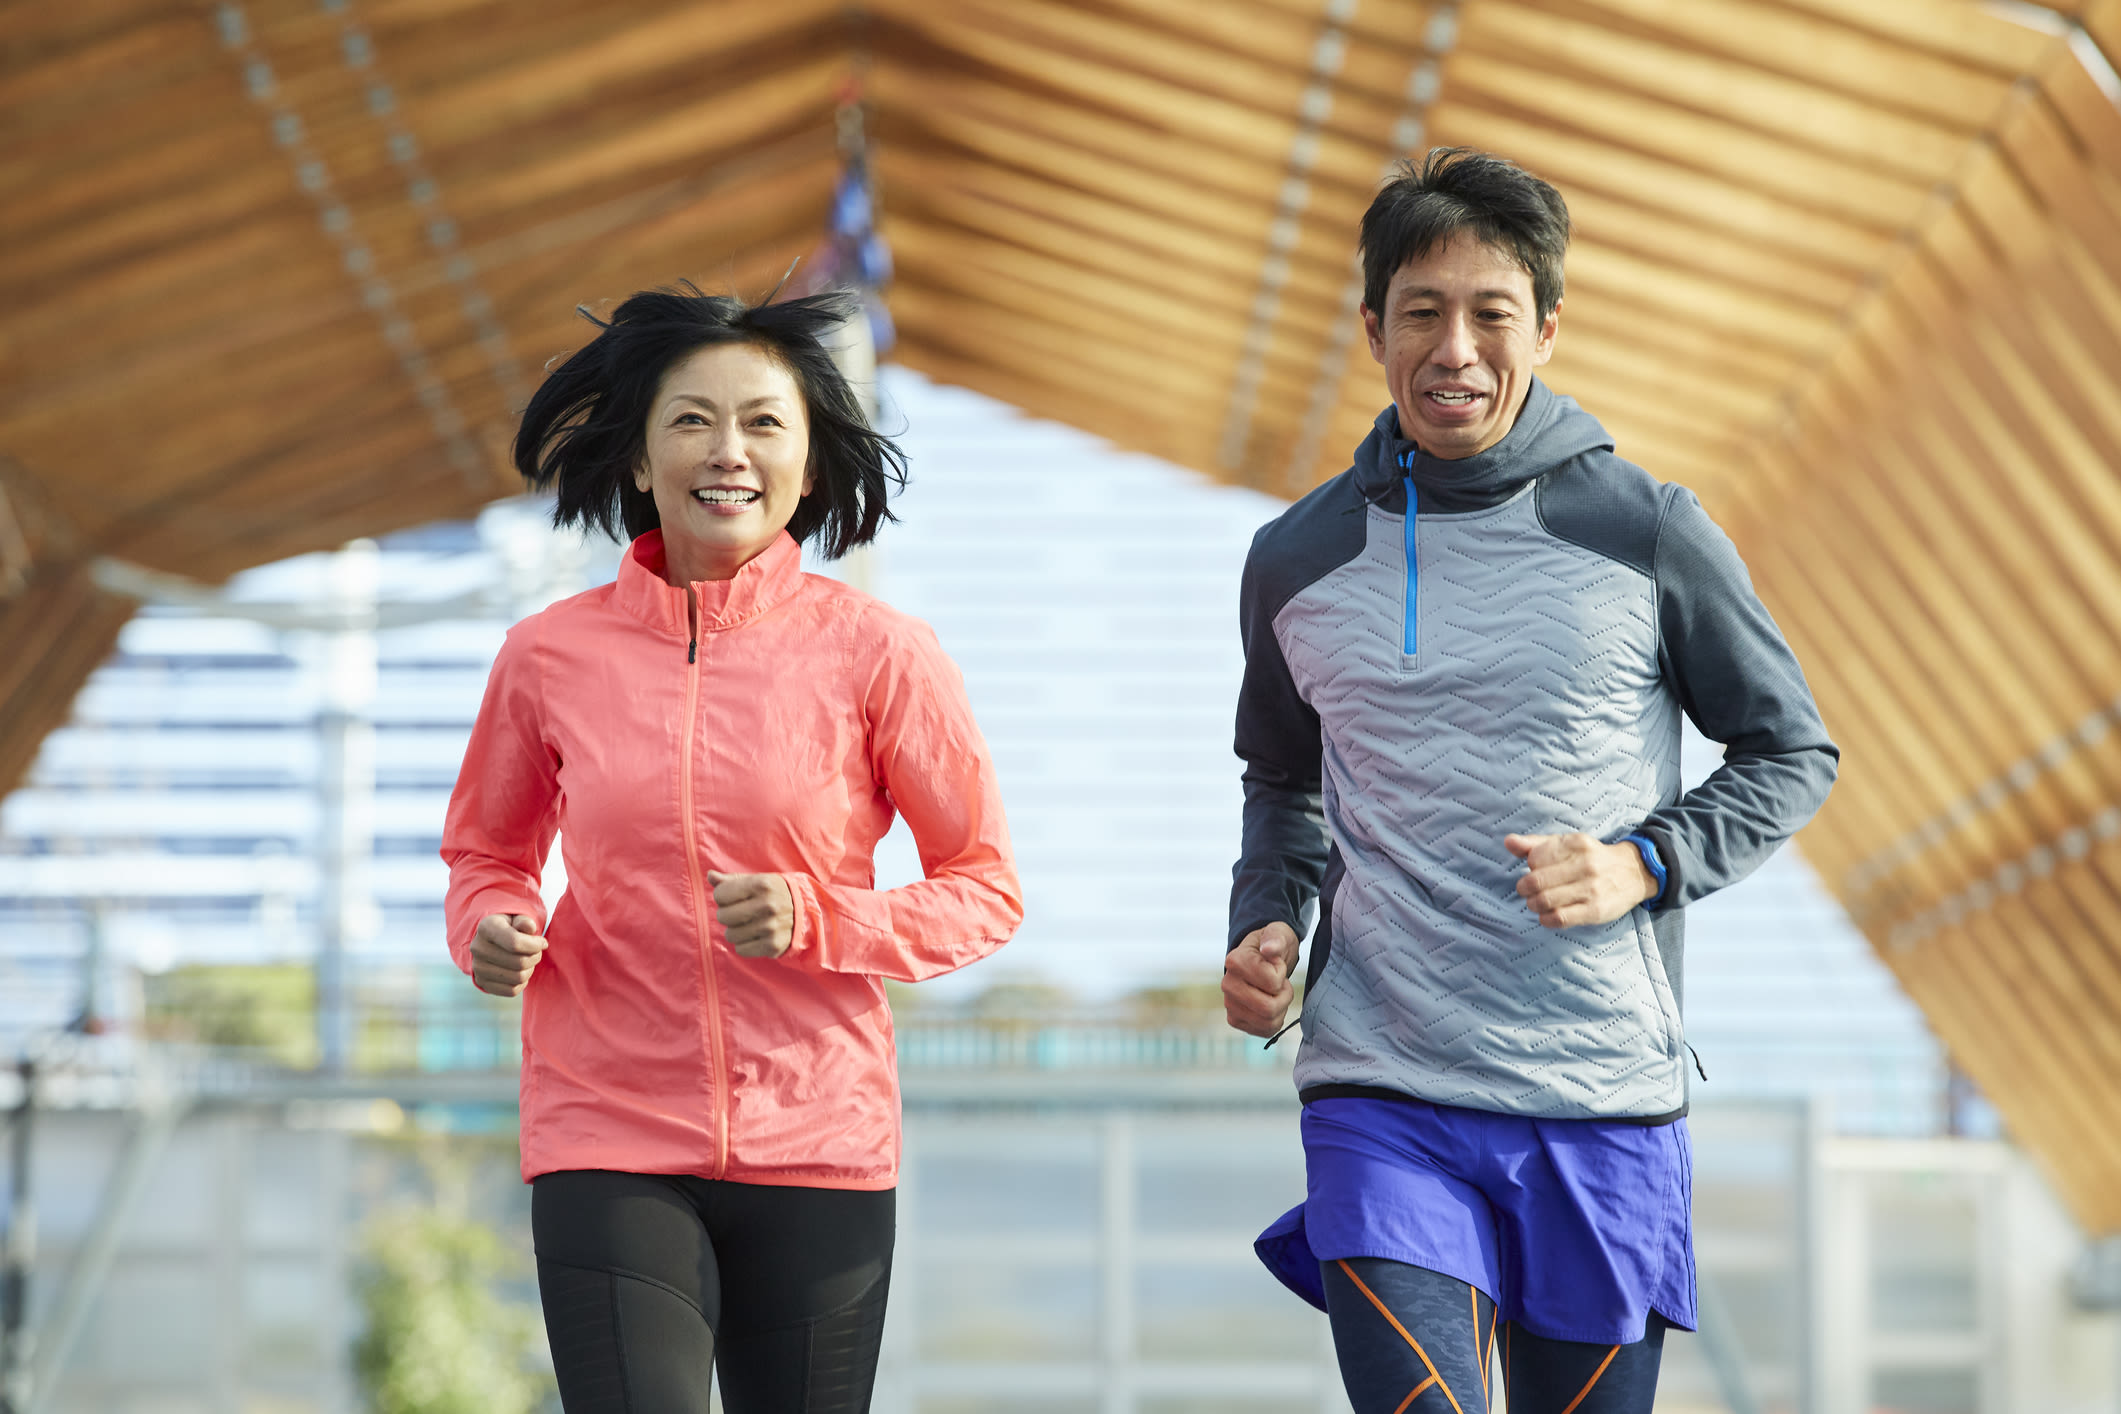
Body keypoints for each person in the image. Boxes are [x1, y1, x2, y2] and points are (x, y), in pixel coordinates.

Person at [1222, 148, 1837, 1414]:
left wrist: (1644, 861)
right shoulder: (1296, 557)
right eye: (1422, 313)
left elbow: (1792, 751)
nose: (1455, 348)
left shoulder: (1648, 527)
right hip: (1383, 1085)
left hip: (1599, 1096)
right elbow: (1280, 780)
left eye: (1491, 314)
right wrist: (1265, 922)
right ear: (1373, 330)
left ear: (1545, 329)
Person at [441, 286, 1023, 1413]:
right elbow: (486, 852)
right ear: (641, 457)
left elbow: (984, 890)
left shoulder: (880, 654)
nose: (729, 450)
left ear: (809, 467)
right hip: (606, 1127)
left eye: (764, 422)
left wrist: (821, 919)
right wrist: (492, 924)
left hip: (819, 1138)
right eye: (692, 420)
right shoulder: (547, 657)